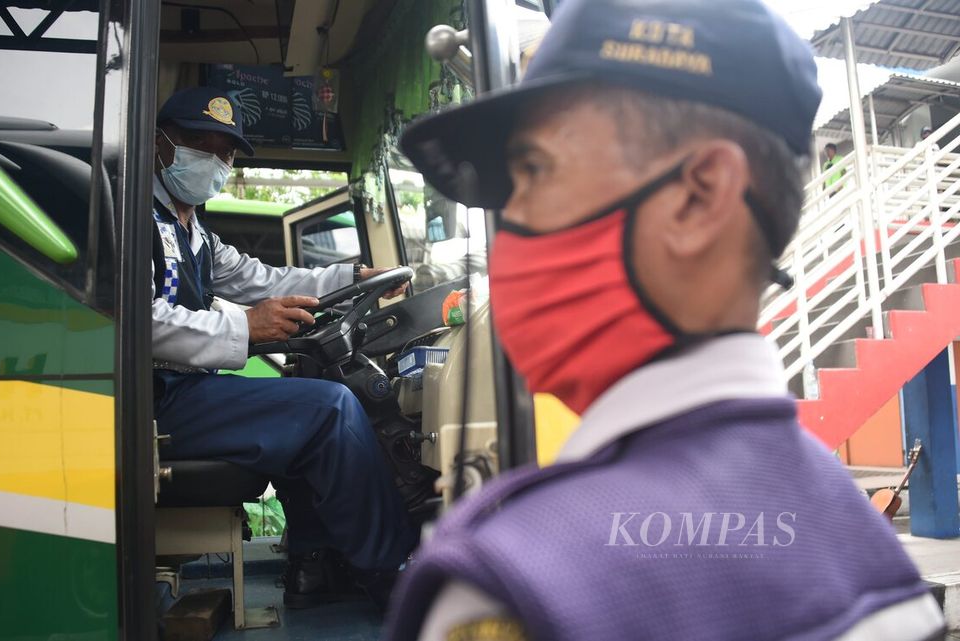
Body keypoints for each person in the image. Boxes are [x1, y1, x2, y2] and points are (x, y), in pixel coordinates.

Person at [384, 1, 946, 640]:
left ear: (699, 195)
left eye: (535, 171)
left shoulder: (508, 589)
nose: (507, 231)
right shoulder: (876, 561)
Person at [150, 86, 417, 609]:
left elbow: (262, 278)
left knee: (304, 394)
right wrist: (247, 328)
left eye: (225, 152)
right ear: (162, 145)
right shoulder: (134, 222)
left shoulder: (194, 231)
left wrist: (355, 274)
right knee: (329, 408)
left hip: (184, 393)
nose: (217, 161)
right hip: (153, 403)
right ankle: (394, 568)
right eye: (200, 146)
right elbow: (140, 324)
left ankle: (313, 563)